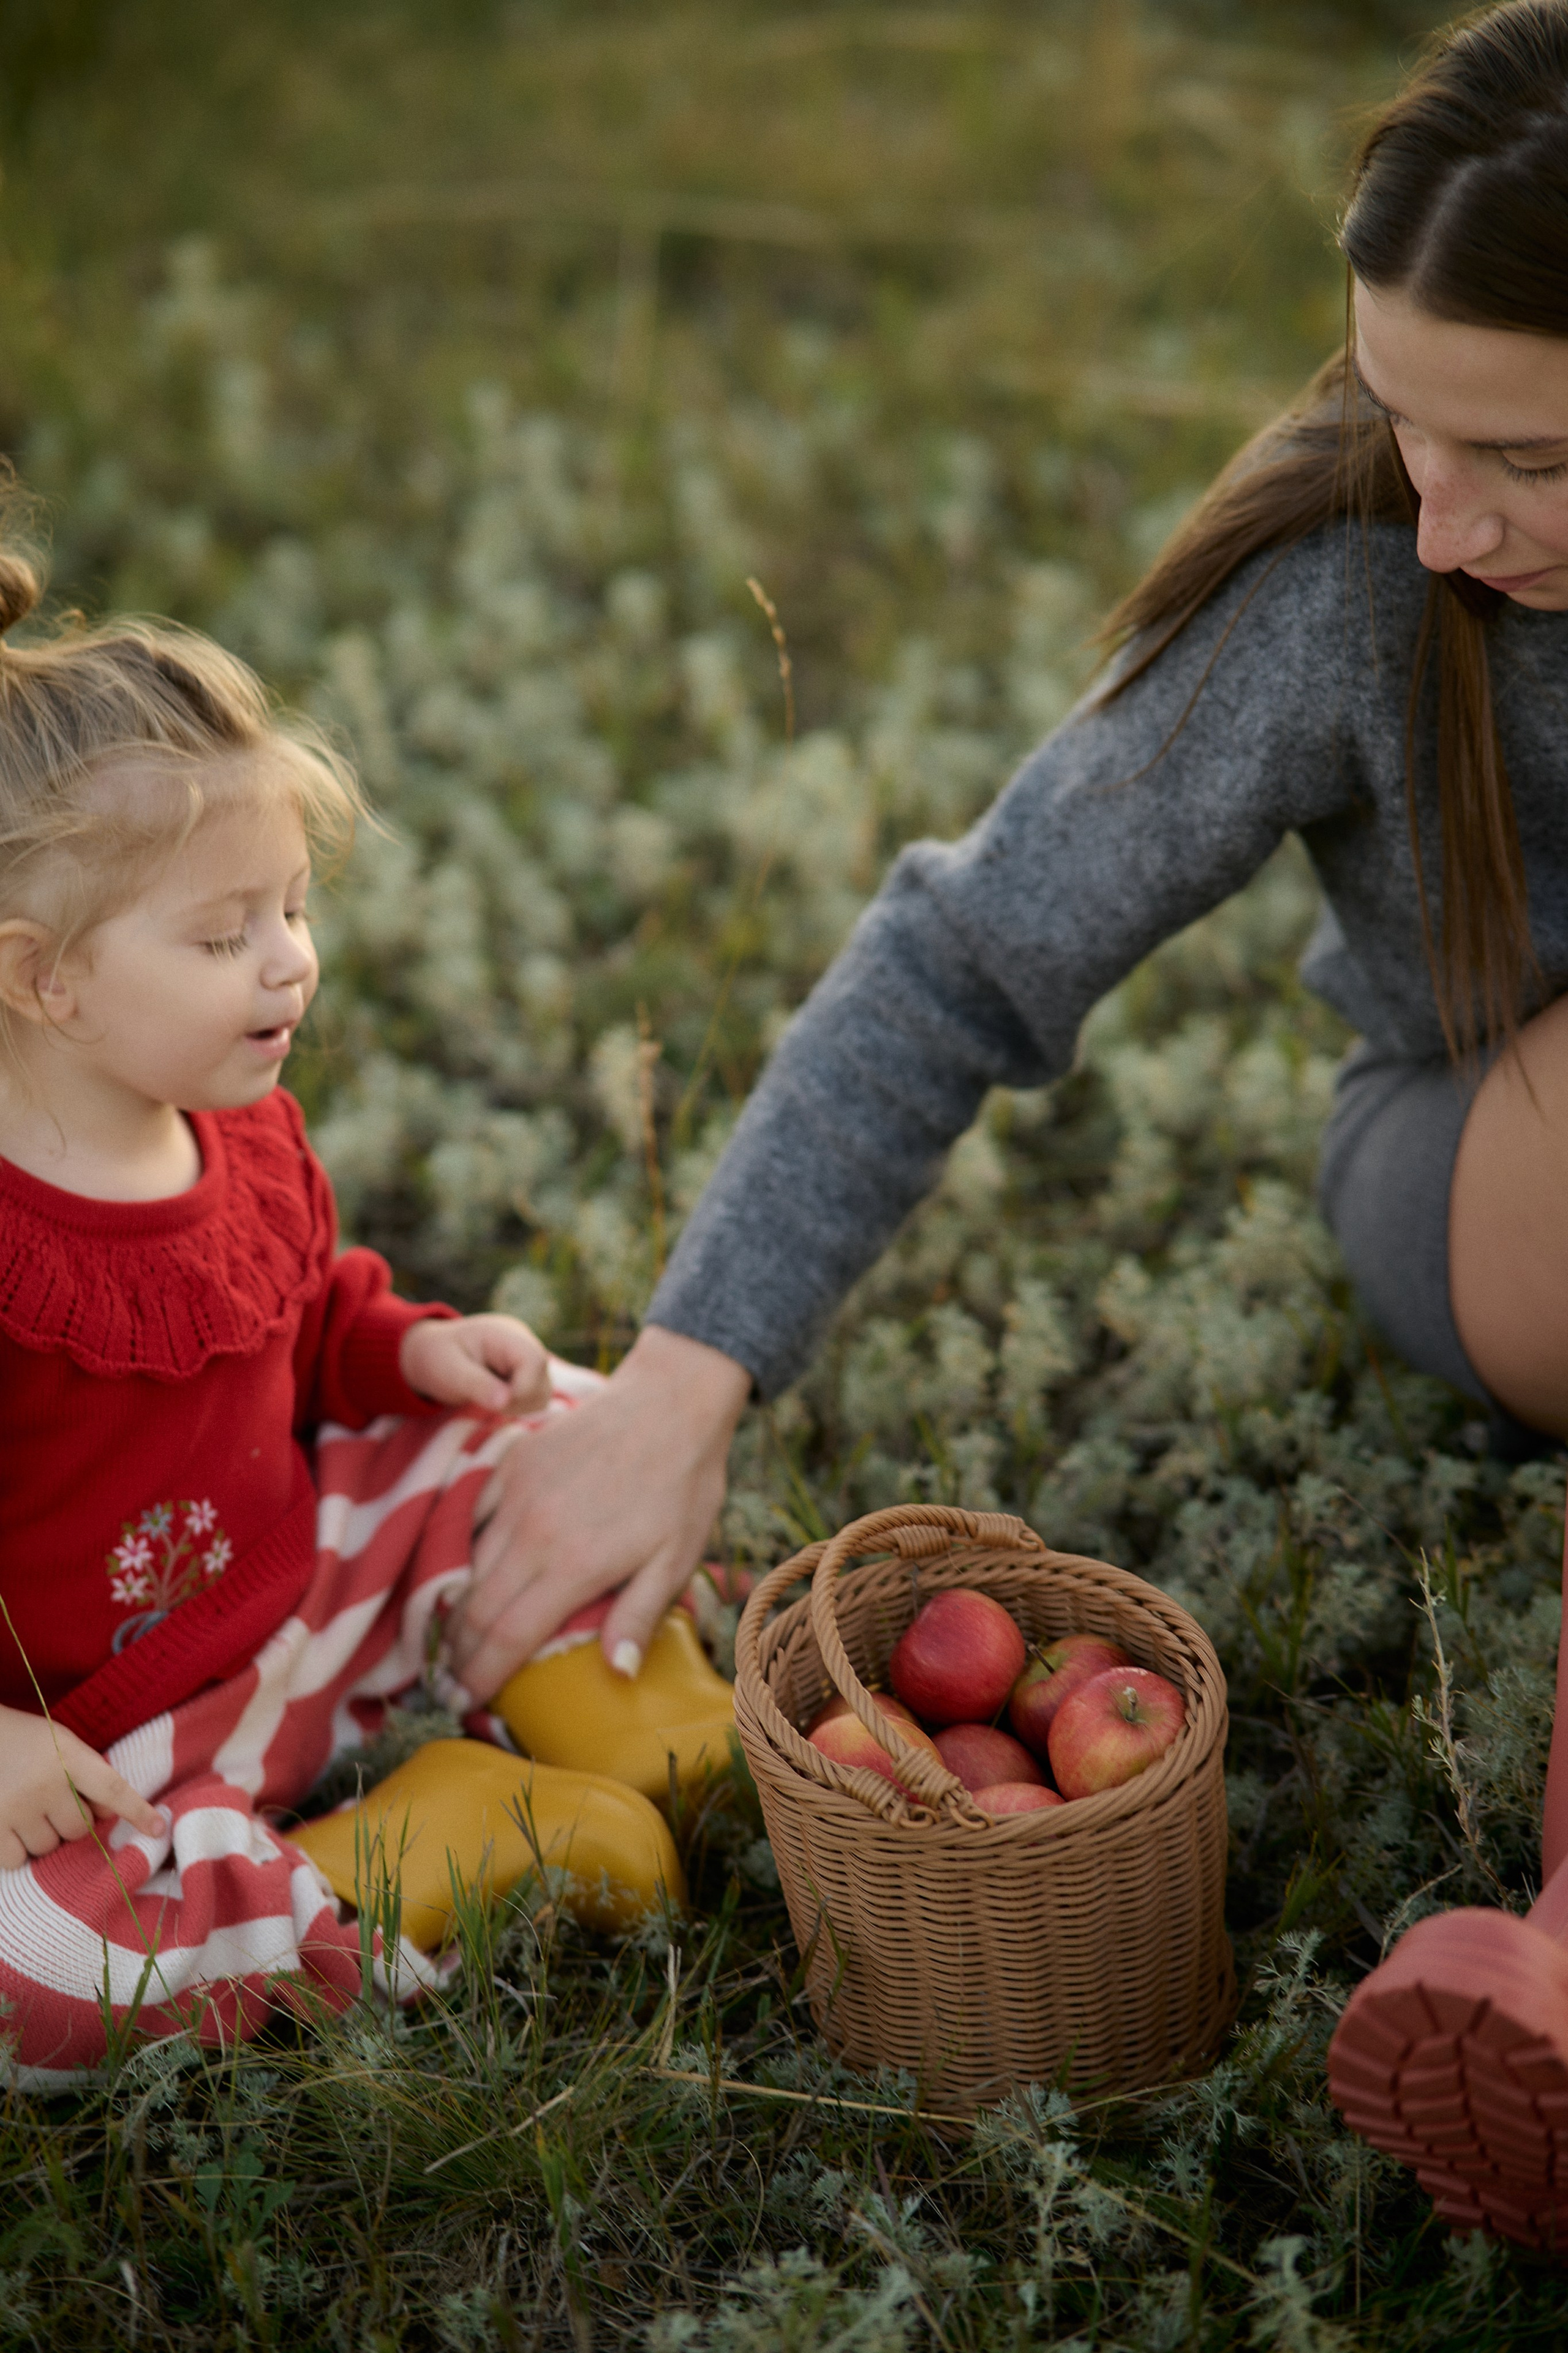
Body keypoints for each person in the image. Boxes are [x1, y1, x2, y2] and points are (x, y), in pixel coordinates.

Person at [446, 0, 1568, 2253]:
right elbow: (963, 961)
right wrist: (683, 1382)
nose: (1442, 515)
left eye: (1525, 454)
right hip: (1490, 1171)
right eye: (1395, 415)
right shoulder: (1354, 584)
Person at [0, 569, 591, 2086]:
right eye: (222, 937)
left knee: (559, 1416)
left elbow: (286, 1310)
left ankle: (597, 1692)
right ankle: (433, 1837)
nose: (288, 961)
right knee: (45, 1978)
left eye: (294, 907)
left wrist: (397, 1348)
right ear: (41, 978)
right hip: (82, 1766)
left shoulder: (231, 1122)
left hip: (300, 1587)